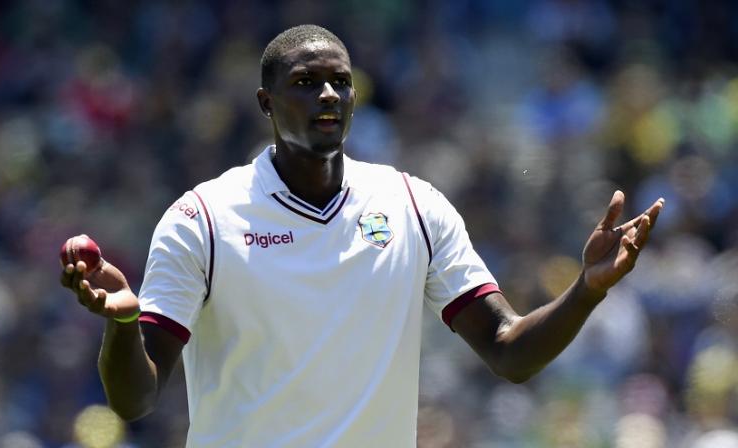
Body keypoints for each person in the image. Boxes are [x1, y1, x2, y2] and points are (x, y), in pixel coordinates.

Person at [60, 24, 664, 447]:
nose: (328, 94)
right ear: (266, 102)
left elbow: (509, 351)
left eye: (341, 82)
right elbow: (134, 402)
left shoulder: (413, 205)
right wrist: (120, 326)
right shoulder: (202, 219)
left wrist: (586, 289)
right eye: (306, 82)